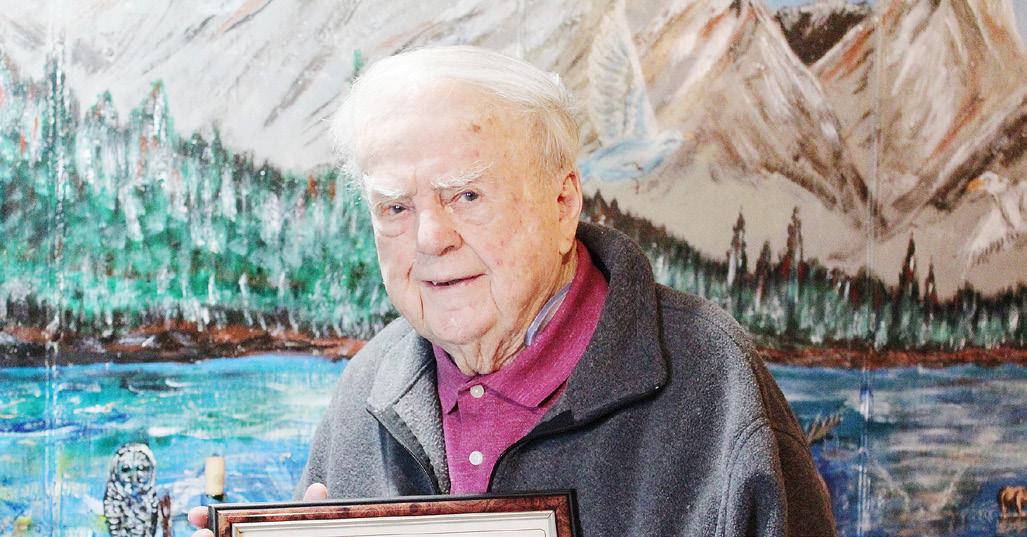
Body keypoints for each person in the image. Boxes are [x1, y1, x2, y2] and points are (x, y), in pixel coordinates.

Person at [190, 45, 835, 536]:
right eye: (395, 207)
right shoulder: (366, 387)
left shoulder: (715, 380)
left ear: (563, 202)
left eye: (466, 195)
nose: (430, 239)